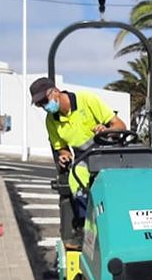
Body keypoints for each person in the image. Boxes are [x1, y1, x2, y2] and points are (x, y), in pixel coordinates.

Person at [29, 77, 126, 240]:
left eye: (44, 101)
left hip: (108, 151)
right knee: (75, 179)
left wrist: (106, 130)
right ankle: (85, 227)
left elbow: (120, 125)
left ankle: (120, 221)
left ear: (55, 92)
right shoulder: (51, 121)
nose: (44, 106)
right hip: (84, 157)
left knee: (113, 183)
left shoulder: (86, 100)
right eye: (40, 105)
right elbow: (61, 148)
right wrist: (64, 155)